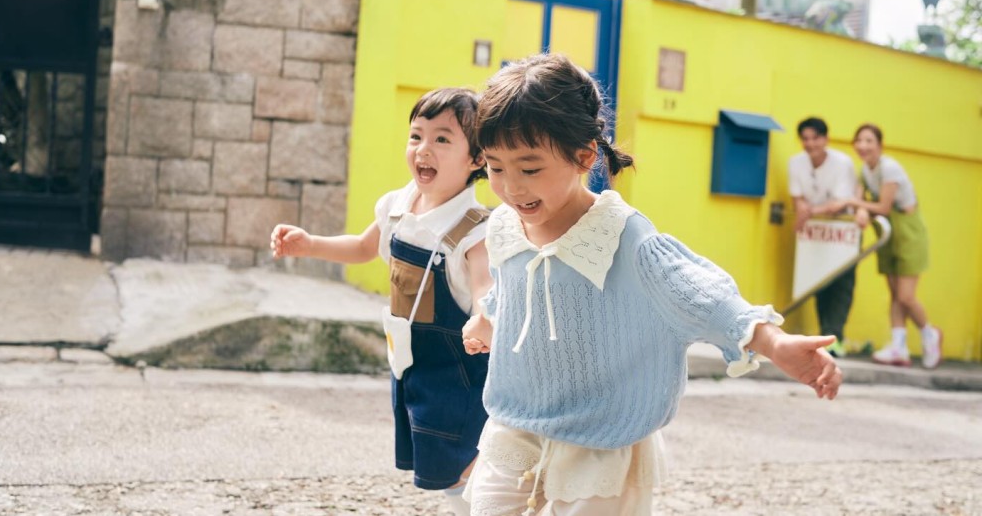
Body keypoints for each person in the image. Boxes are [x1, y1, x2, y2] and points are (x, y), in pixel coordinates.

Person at [460, 54, 843, 516]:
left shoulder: (621, 235)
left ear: (584, 156)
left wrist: (773, 341)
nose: (511, 187)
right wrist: (487, 319)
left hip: (603, 433)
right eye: (496, 168)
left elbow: (700, 293)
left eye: (530, 168)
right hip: (516, 419)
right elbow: (512, 287)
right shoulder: (504, 225)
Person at [271, 87, 491, 516]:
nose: (424, 149)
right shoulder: (396, 205)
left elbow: (485, 288)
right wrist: (310, 244)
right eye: (416, 136)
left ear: (477, 159)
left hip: (457, 368)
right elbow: (363, 247)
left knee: (464, 459)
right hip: (412, 360)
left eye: (442, 139)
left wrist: (484, 318)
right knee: (439, 455)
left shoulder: (473, 228)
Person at [847, 123, 942, 369]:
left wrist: (855, 203)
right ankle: (898, 346)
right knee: (894, 294)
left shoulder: (889, 168)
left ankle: (930, 334)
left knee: (906, 296)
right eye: (859, 140)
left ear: (880, 145)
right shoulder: (865, 171)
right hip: (887, 232)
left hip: (908, 231)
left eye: (869, 141)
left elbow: (883, 207)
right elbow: (860, 199)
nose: (863, 146)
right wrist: (858, 206)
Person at [787, 116, 859, 357]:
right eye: (805, 139)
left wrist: (809, 212)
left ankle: (837, 336)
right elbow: (797, 198)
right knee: (818, 282)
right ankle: (825, 336)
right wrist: (803, 211)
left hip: (842, 230)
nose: (810, 144)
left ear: (825, 139)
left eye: (815, 138)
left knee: (842, 284)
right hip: (816, 232)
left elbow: (839, 204)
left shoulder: (842, 163)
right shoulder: (796, 163)